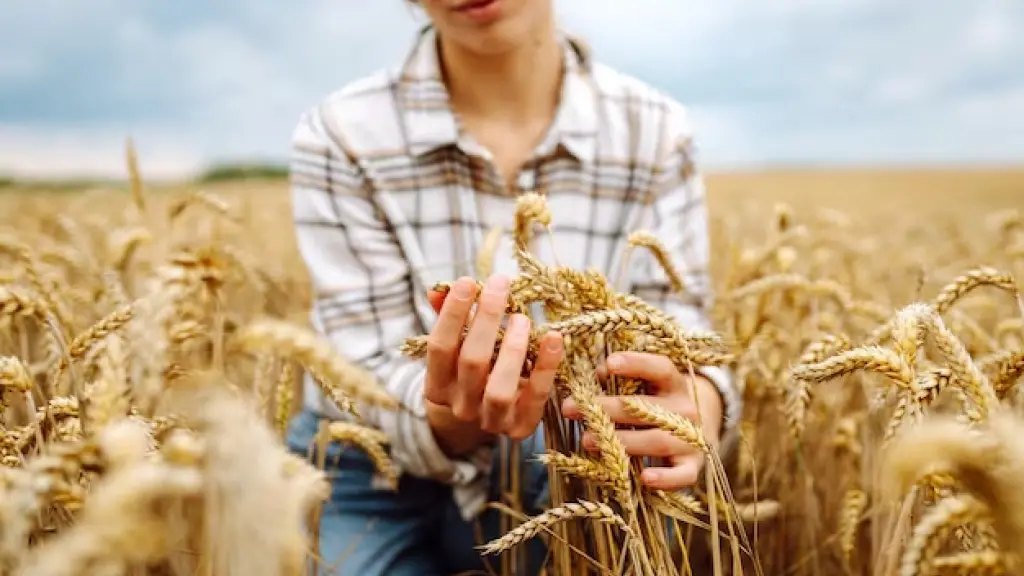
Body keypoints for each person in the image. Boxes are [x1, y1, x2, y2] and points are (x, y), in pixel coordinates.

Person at [285, 0, 743, 574]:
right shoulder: (340, 132)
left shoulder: (655, 129)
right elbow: (359, 368)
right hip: (368, 463)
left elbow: (680, 321)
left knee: (579, 455)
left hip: (572, 445)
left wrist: (701, 397)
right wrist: (454, 411)